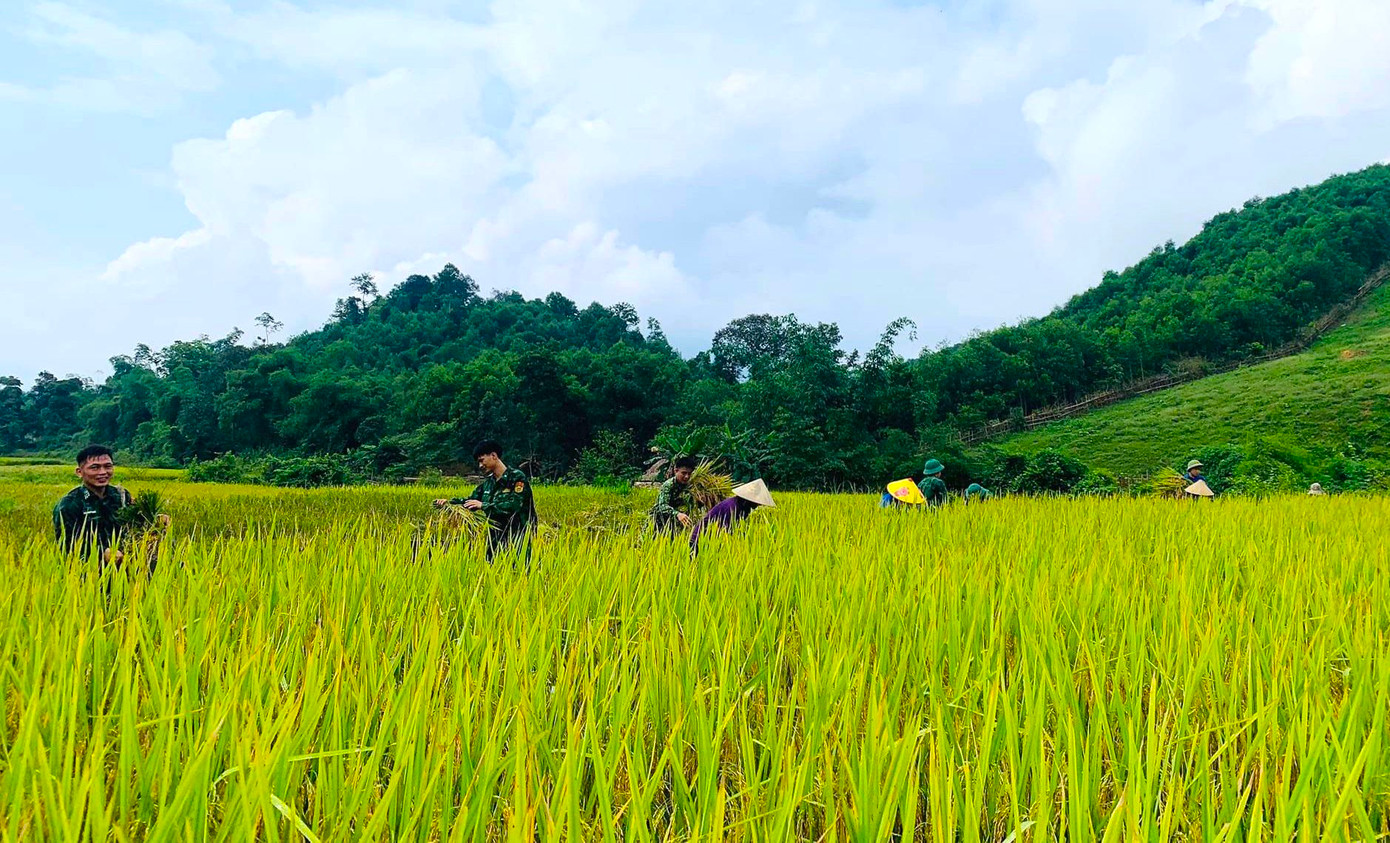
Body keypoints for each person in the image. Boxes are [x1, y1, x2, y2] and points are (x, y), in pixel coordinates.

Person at [434, 440, 537, 565]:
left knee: (520, 576)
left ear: (493, 456)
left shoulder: (516, 478)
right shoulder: (488, 484)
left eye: (482, 460)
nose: (480, 465)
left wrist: (483, 505)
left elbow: (514, 506)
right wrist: (449, 503)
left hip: (518, 541)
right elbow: (470, 501)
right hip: (495, 543)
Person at [53, 444, 133, 564]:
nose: (103, 472)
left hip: (124, 568)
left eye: (108, 466)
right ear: (79, 472)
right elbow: (67, 545)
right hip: (87, 572)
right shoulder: (69, 504)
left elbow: (136, 524)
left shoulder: (121, 495)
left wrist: (155, 519)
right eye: (95, 468)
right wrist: (102, 553)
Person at [690, 479, 775, 555]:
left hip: (713, 539)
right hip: (700, 540)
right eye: (756, 502)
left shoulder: (744, 508)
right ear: (749, 499)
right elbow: (728, 532)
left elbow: (737, 528)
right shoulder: (732, 507)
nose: (757, 505)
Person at [650, 456, 698, 534]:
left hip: (675, 526)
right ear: (676, 471)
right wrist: (677, 514)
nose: (687, 477)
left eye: (689, 474)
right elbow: (661, 506)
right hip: (658, 524)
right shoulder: (668, 485)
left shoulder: (691, 486)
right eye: (684, 473)